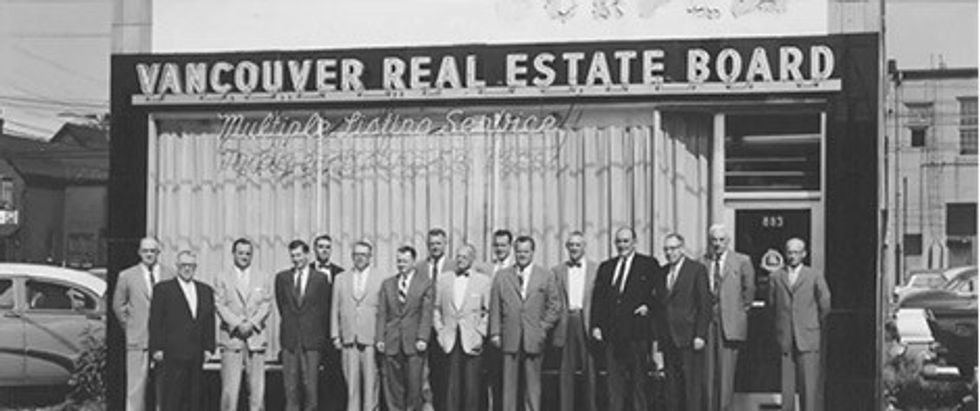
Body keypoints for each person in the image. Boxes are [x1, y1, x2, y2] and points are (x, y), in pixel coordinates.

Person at [489, 235, 562, 411]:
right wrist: (495, 332)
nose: (522, 255)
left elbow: (555, 305)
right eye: (519, 251)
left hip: (533, 337)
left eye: (526, 251)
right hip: (510, 336)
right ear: (514, 252)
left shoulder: (545, 275)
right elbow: (495, 306)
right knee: (509, 385)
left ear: (532, 252)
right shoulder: (502, 276)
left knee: (533, 384)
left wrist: (542, 328)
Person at [590, 227, 659, 411]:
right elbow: (598, 299)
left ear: (634, 242)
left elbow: (659, 293)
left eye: (626, 241)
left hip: (637, 333)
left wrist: (648, 306)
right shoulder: (607, 267)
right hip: (612, 333)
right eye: (619, 241)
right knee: (614, 382)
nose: (622, 245)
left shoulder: (648, 264)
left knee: (639, 381)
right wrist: (596, 325)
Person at [148, 250, 216, 411]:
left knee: (195, 398)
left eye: (191, 265)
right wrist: (156, 348)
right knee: (173, 398)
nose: (187, 269)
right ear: (177, 267)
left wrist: (209, 347)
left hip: (196, 352)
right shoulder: (163, 289)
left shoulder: (205, 290)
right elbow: (155, 320)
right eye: (183, 265)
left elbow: (209, 320)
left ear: (195, 267)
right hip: (172, 352)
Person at [112, 237, 173, 411]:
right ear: (139, 253)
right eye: (145, 251)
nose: (149, 254)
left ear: (158, 253)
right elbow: (118, 306)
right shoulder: (126, 276)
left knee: (165, 387)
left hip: (164, 340)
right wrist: (130, 326)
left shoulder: (169, 274)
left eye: (153, 251)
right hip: (138, 338)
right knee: (135, 387)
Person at [771, 238, 830, 411]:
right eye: (789, 252)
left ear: (804, 254)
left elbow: (825, 303)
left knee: (809, 387)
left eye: (796, 252)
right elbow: (772, 304)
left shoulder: (814, 275)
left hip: (808, 335)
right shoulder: (776, 276)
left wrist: (812, 321)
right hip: (786, 336)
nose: (792, 256)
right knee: (786, 387)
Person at [701, 225, 756, 411]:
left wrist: (738, 312)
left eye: (721, 240)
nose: (717, 244)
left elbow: (749, 292)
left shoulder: (742, 261)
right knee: (708, 374)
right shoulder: (702, 262)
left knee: (726, 374)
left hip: (730, 323)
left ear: (728, 241)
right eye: (714, 240)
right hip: (707, 322)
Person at [215, 238, 271, 411]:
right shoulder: (222, 276)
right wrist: (238, 324)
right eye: (240, 253)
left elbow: (266, 304)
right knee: (230, 392)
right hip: (232, 338)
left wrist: (252, 323)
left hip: (255, 339)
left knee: (257, 392)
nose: (244, 256)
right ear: (233, 254)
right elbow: (220, 304)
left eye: (248, 253)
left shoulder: (263, 276)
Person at [655, 233, 710, 411]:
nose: (669, 253)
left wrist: (700, 334)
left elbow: (704, 304)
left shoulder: (696, 269)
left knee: (691, 385)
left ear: (682, 248)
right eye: (666, 249)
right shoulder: (662, 272)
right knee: (672, 386)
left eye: (673, 248)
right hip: (668, 338)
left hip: (689, 337)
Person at [275, 240, 332, 411]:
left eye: (299, 255)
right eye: (293, 256)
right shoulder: (282, 278)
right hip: (290, 339)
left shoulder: (320, 279)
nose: (296, 259)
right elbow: (281, 305)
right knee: (290, 387)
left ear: (307, 255)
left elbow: (324, 309)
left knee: (310, 387)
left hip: (312, 339)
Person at [377, 246, 435, 411]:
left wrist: (423, 337)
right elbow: (382, 313)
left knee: (414, 385)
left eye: (405, 261)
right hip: (392, 341)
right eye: (399, 261)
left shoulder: (425, 284)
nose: (401, 264)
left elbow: (426, 313)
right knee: (392, 386)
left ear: (413, 262)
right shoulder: (388, 284)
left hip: (413, 343)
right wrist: (380, 338)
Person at [434, 244, 491, 411]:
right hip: (450, 339)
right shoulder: (444, 279)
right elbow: (436, 309)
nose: (460, 260)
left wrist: (480, 334)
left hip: (471, 339)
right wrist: (440, 332)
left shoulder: (483, 281)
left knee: (472, 386)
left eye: (464, 257)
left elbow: (488, 311)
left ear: (472, 259)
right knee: (451, 386)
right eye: (458, 256)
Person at [332, 240, 385, 411]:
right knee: (351, 386)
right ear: (352, 256)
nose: (360, 258)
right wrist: (335, 335)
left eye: (363, 254)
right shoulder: (340, 278)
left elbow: (385, 311)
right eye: (356, 254)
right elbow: (335, 308)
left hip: (370, 339)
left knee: (371, 384)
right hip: (349, 338)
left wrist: (381, 338)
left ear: (370, 256)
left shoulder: (381, 277)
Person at [551, 231, 598, 411]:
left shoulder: (596, 269)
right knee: (566, 371)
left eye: (577, 245)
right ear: (566, 247)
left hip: (587, 321)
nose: (574, 248)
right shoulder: (557, 271)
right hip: (566, 321)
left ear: (584, 247)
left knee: (590, 371)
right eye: (571, 245)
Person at [415, 228, 456, 411]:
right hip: (423, 327)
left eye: (438, 243)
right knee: (423, 372)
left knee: (445, 372)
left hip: (446, 327)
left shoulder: (455, 266)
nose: (435, 247)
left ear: (445, 244)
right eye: (431, 244)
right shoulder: (418, 268)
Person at [310, 234, 346, 411]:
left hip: (333, 333)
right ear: (314, 249)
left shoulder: (341, 273)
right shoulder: (305, 270)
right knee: (312, 376)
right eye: (321, 246)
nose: (324, 250)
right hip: (312, 332)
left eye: (327, 247)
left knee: (334, 375)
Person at [485, 229, 513, 411]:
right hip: (489, 330)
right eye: (496, 245)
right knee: (493, 377)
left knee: (511, 379)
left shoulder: (517, 268)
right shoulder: (486, 269)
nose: (499, 249)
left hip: (511, 330)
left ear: (510, 246)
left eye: (503, 245)